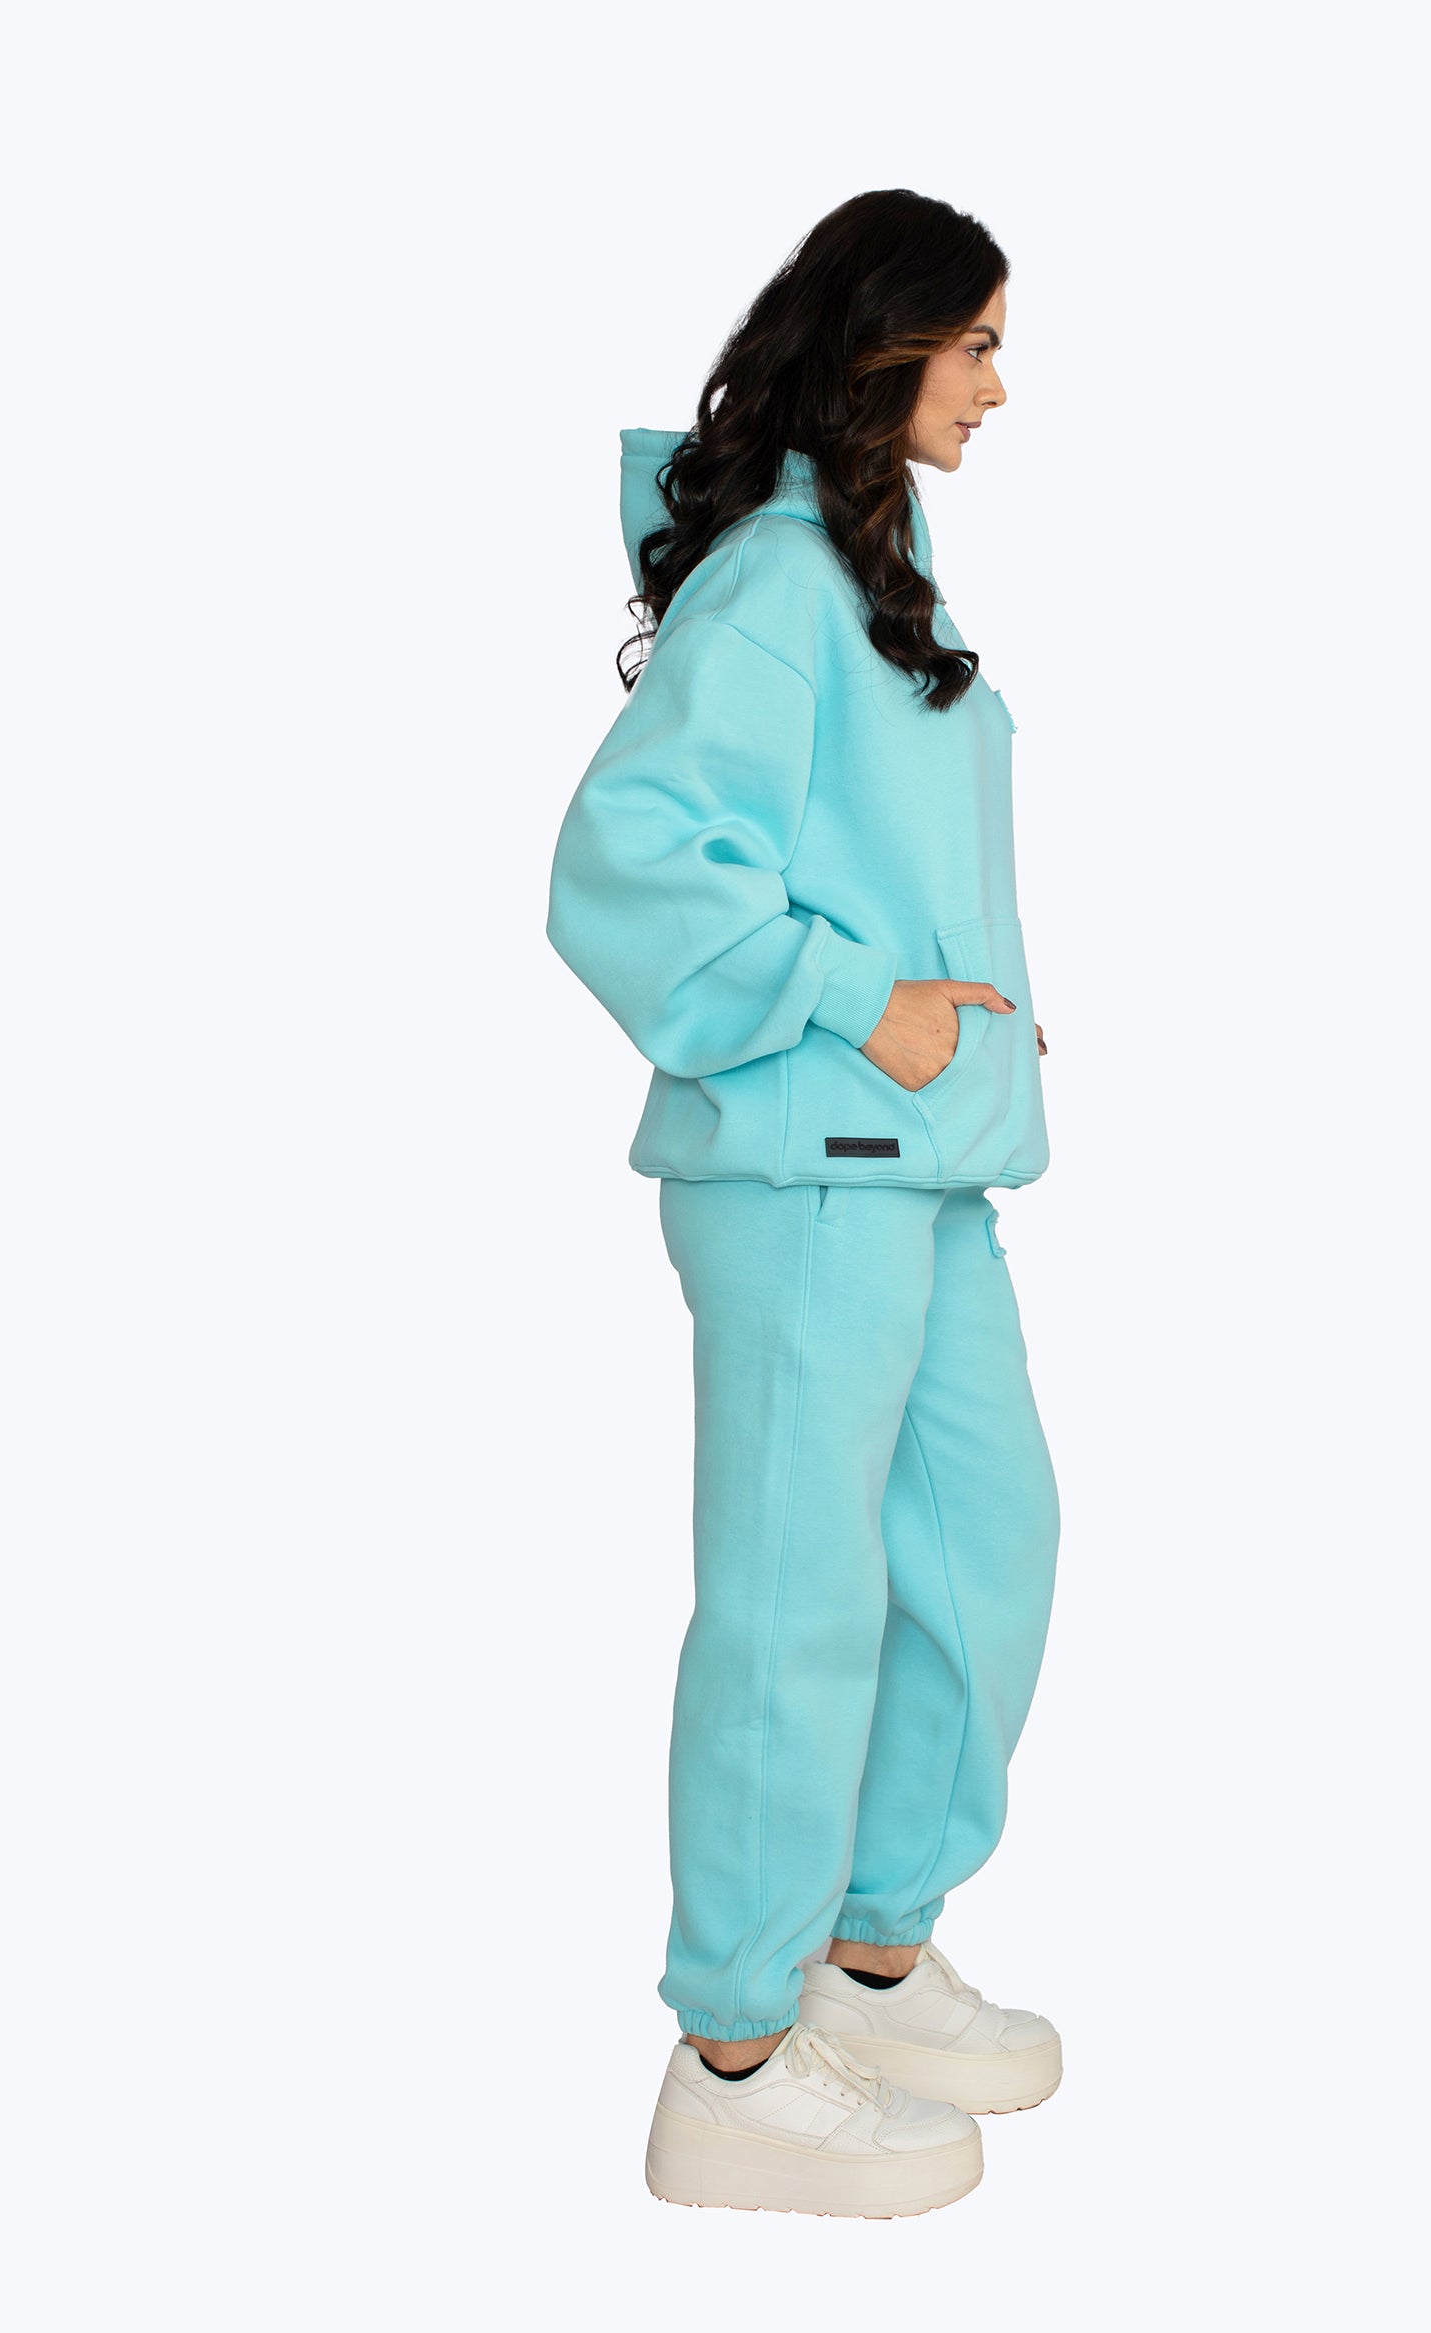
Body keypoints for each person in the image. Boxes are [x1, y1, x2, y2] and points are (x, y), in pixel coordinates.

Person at [546, 189, 1062, 2219]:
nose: (999, 387)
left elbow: (873, 848)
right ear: (884, 349)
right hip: (805, 1167)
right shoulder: (775, 577)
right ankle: (736, 2057)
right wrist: (870, 1006)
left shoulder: (871, 568)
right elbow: (629, 858)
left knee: (986, 1547)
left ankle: (868, 1945)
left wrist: (965, 1018)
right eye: (979, 345)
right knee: (798, 1601)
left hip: (921, 1166)